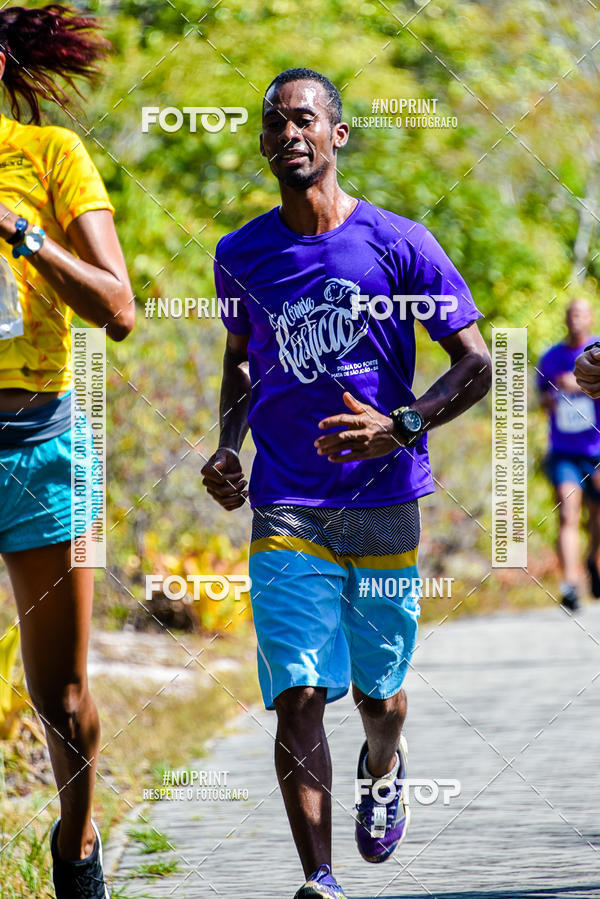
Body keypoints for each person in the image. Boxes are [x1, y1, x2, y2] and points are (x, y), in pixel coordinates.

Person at [202, 67, 491, 899]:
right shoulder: (241, 254)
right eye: (273, 125)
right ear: (263, 146)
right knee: (297, 691)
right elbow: (239, 364)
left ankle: (385, 764)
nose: (287, 134)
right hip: (286, 501)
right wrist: (228, 446)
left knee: (382, 697)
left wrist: (401, 424)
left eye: (303, 120)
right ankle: (320, 879)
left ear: (338, 136)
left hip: (383, 501)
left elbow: (475, 363)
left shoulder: (398, 243)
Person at [0, 6, 134, 897]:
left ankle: (76, 846)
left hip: (35, 443)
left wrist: (24, 234)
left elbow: (118, 308)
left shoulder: (48, 156)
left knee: (63, 695)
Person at [537, 299, 600, 612]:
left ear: (590, 319)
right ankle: (571, 585)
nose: (576, 320)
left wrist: (578, 385)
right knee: (567, 513)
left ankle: (592, 561)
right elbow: (541, 397)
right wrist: (551, 398)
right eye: (571, 314)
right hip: (563, 451)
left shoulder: (597, 352)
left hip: (597, 450)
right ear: (565, 319)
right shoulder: (550, 358)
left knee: (597, 518)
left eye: (581, 314)